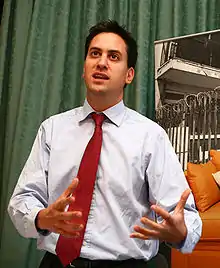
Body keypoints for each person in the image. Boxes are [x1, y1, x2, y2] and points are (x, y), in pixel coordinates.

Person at [8, 20, 202, 268]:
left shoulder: (150, 136)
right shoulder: (52, 129)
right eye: (95, 54)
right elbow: (22, 199)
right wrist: (42, 217)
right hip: (57, 263)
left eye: (114, 56)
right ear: (84, 67)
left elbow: (183, 214)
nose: (101, 62)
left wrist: (181, 233)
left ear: (129, 75)